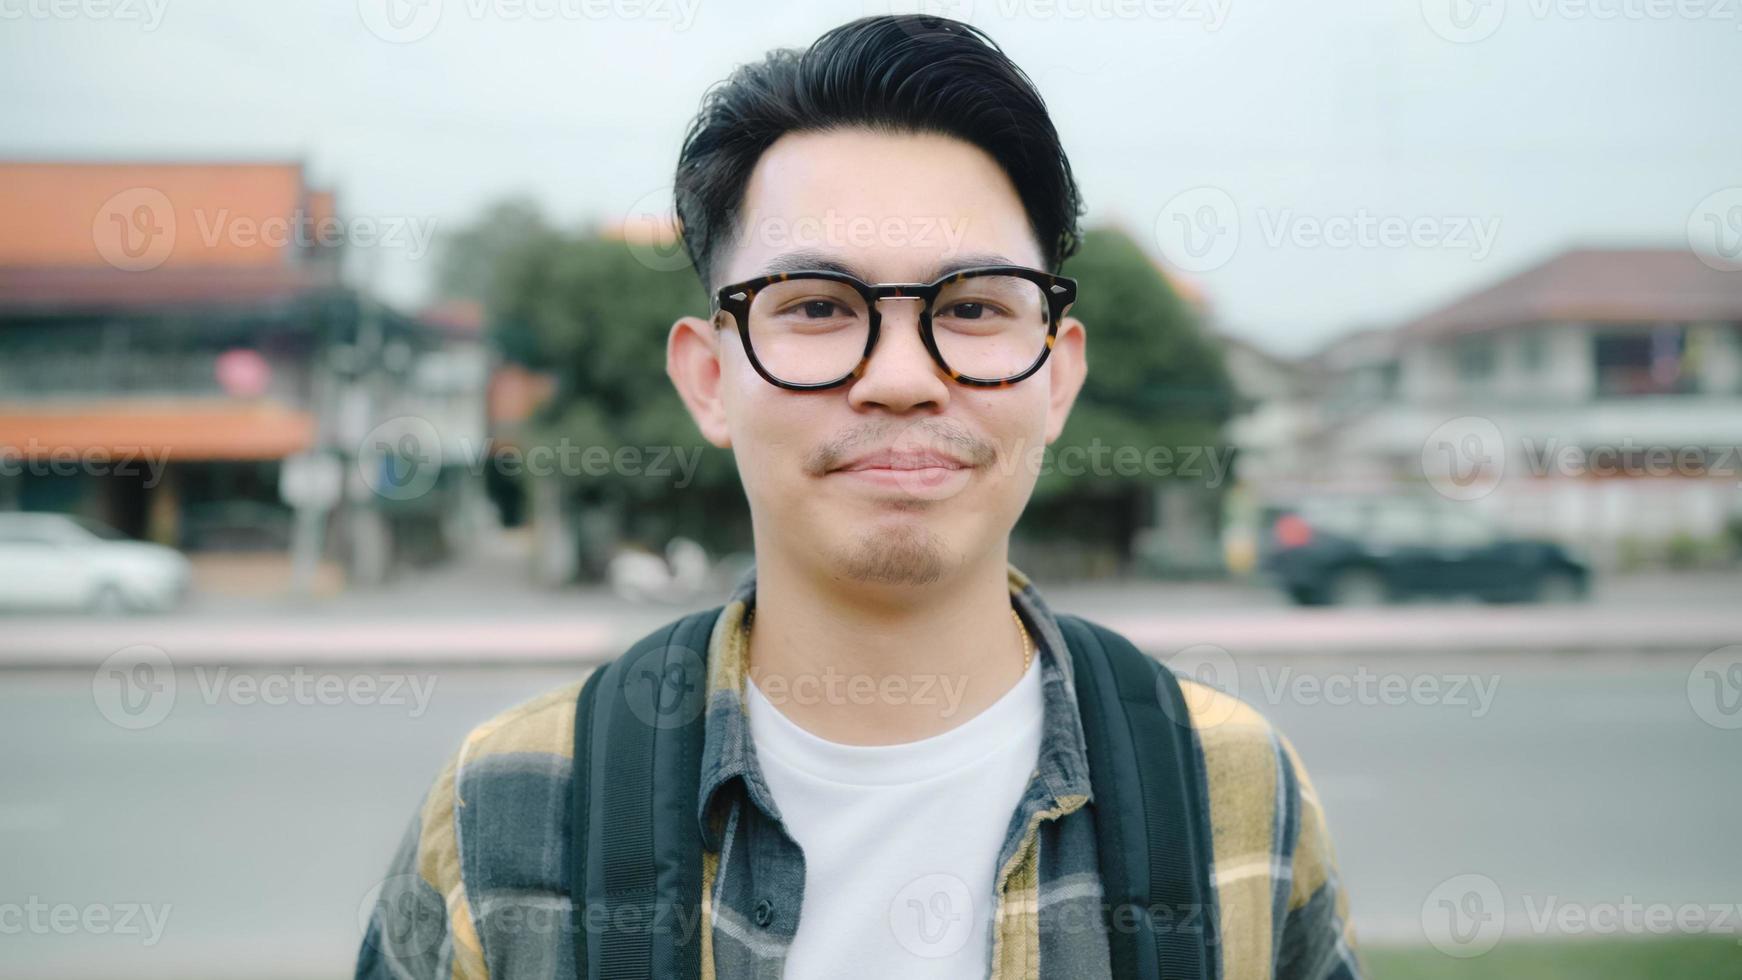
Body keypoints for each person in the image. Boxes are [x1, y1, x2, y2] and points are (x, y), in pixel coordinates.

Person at [356, 14, 1360, 980]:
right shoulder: (512, 804)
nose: (897, 376)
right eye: (818, 307)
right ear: (707, 377)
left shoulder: (1225, 788)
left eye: (969, 306)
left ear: (1055, 375)